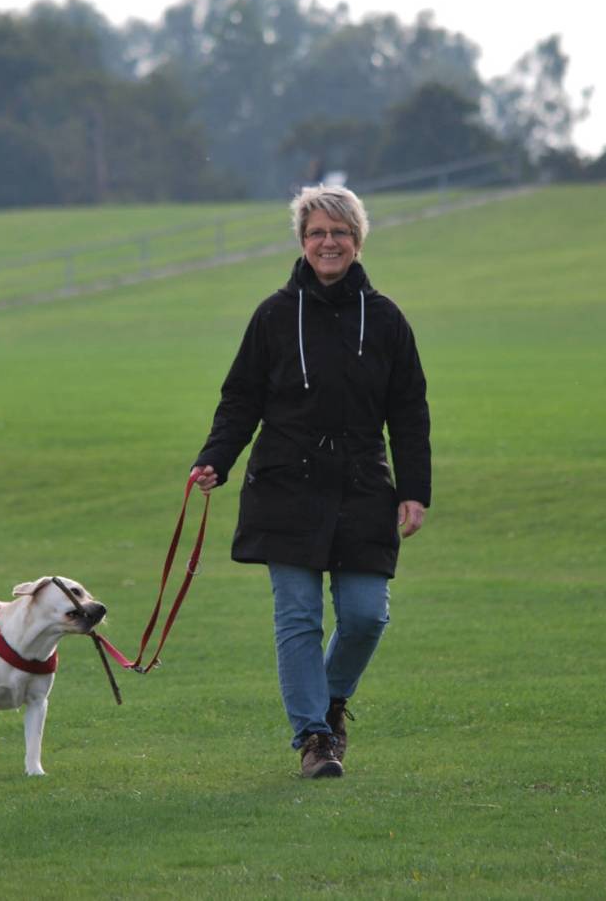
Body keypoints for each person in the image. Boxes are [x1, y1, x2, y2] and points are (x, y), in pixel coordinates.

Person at [192, 185, 431, 779]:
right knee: (297, 616)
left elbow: (408, 410)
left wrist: (414, 488)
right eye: (319, 232)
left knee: (366, 615)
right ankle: (315, 738)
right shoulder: (273, 316)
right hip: (285, 484)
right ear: (303, 241)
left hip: (362, 485)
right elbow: (240, 398)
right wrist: (216, 458)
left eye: (341, 233)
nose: (330, 242)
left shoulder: (386, 318)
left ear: (357, 242)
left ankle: (330, 701)